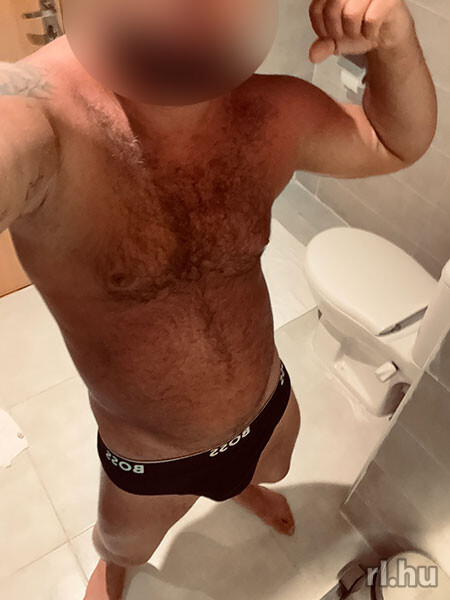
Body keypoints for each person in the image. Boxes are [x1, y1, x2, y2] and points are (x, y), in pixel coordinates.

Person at [0, 0, 436, 598]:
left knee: (274, 468)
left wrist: (394, 44)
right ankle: (114, 566)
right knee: (124, 544)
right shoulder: (36, 114)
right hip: (149, 460)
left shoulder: (273, 112)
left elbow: (392, 141)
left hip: (265, 405)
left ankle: (237, 487)